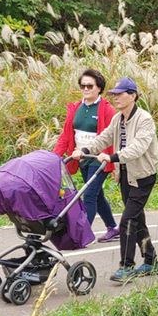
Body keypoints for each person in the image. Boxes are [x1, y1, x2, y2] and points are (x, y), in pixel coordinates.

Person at [72, 77, 158, 282]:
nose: (116, 98)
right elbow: (104, 137)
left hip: (142, 175)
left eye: (120, 94)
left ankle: (127, 266)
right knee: (137, 219)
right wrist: (85, 150)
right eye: (114, 94)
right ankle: (151, 260)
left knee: (128, 220)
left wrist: (112, 157)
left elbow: (138, 147)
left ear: (133, 96)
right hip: (125, 175)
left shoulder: (144, 119)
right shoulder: (118, 118)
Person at [53, 69, 119, 242]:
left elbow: (113, 137)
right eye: (82, 86)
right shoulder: (76, 108)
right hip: (81, 158)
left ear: (99, 88)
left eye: (89, 86)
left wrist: (115, 164)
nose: (85, 89)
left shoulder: (107, 110)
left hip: (100, 159)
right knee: (97, 195)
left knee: (89, 195)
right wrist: (54, 157)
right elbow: (66, 136)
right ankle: (113, 227)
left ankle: (83, 235)